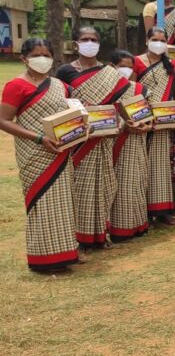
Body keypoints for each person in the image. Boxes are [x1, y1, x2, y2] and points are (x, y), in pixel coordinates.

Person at [0, 38, 79, 271]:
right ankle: (43, 258)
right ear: (24, 58)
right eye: (36, 55)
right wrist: (37, 138)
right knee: (42, 201)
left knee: (63, 202)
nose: (42, 59)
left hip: (61, 150)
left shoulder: (59, 85)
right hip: (34, 151)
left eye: (46, 54)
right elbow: (3, 120)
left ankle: (67, 251)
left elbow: (70, 114)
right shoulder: (16, 86)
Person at [57, 27, 129, 249]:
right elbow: (61, 103)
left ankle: (99, 234)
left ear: (99, 43)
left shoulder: (109, 73)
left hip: (104, 137)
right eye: (84, 39)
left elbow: (120, 104)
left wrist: (121, 122)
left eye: (94, 39)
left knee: (104, 183)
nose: (89, 42)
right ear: (76, 43)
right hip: (79, 140)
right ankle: (79, 237)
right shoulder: (65, 71)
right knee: (79, 188)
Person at [133, 27, 175, 225]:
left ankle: (162, 210)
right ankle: (142, 210)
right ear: (146, 40)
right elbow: (132, 90)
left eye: (162, 40)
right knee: (141, 166)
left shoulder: (173, 65)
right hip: (143, 121)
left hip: (164, 123)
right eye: (154, 39)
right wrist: (141, 116)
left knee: (161, 166)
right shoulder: (136, 62)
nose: (158, 43)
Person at [108, 50, 152, 241]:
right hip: (115, 142)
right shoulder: (106, 89)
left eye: (129, 67)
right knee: (119, 184)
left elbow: (148, 115)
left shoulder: (140, 89)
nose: (126, 70)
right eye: (122, 66)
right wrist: (126, 125)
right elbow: (102, 116)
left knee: (136, 181)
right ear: (112, 67)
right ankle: (118, 228)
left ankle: (137, 224)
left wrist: (146, 126)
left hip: (137, 141)